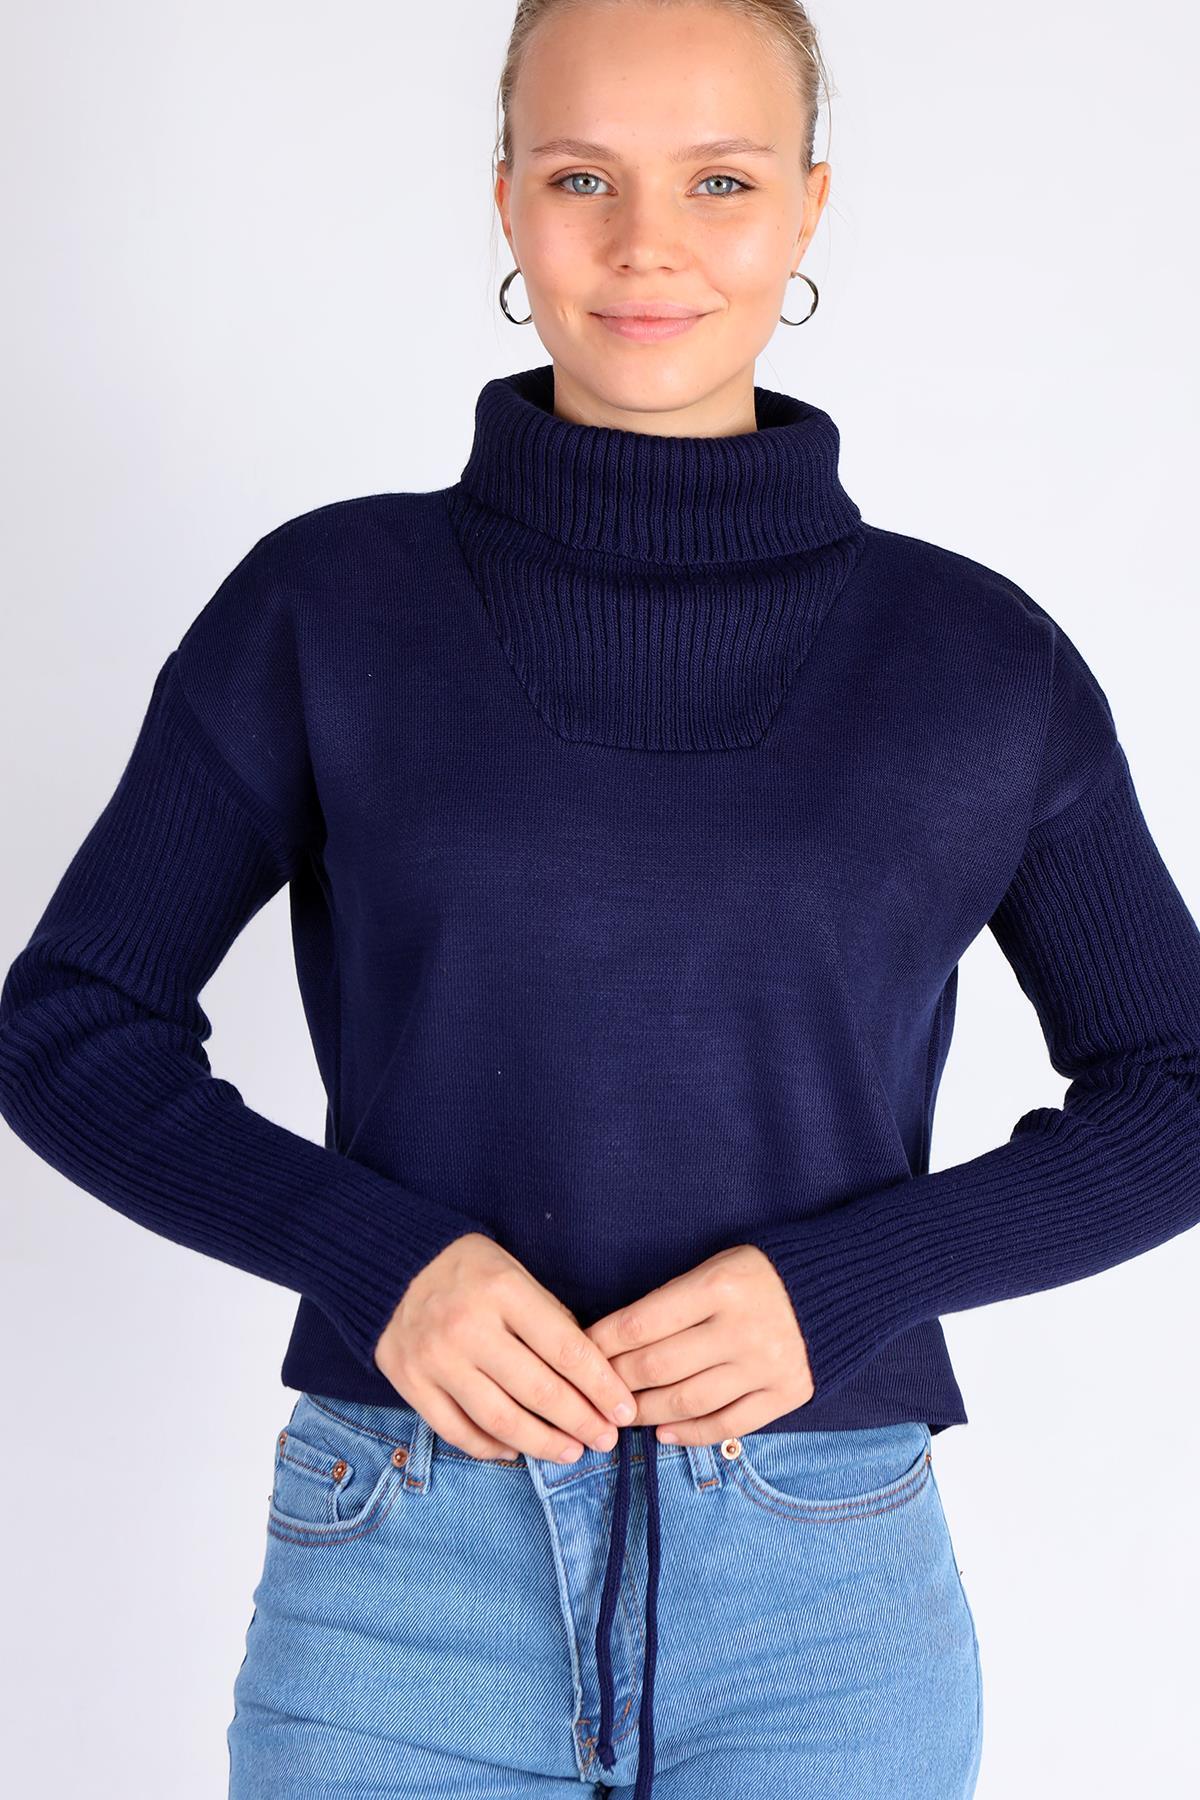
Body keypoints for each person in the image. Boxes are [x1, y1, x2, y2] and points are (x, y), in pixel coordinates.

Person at [2, 2, 1199, 1795]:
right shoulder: (329, 607)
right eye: (582, 178)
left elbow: (1178, 1084)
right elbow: (72, 1024)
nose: (646, 242)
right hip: (400, 1573)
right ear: (505, 198)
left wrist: (856, 1282)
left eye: (720, 181)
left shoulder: (974, 659)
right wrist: (377, 1261)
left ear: (808, 207)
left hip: (822, 1610)